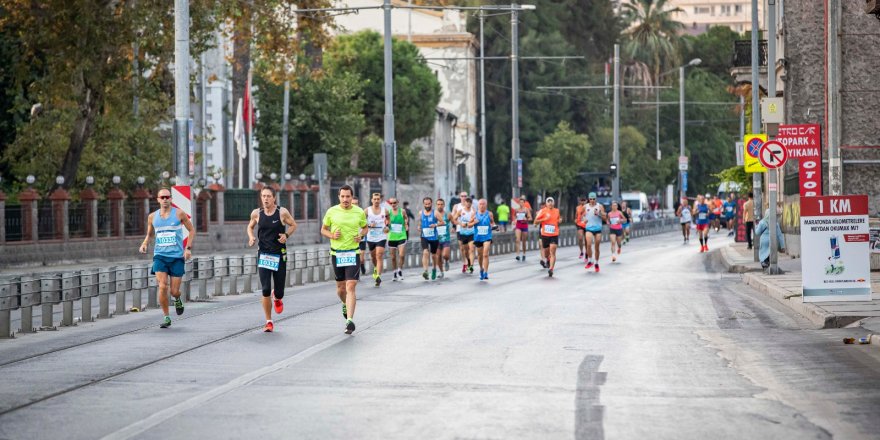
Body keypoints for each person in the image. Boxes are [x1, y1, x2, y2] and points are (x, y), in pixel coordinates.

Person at [139, 187, 196, 329]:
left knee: (174, 291)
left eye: (167, 197)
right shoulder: (152, 217)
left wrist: (188, 248)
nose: (165, 199)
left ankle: (177, 299)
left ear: (171, 199)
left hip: (176, 257)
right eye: (162, 197)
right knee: (163, 286)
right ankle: (166, 317)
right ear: (158, 200)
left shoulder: (179, 214)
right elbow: (150, 233)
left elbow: (192, 230)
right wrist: (145, 243)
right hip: (160, 256)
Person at [247, 187, 297, 332]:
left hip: (279, 254)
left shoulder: (282, 212)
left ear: (274, 198)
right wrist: (251, 237)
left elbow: (293, 225)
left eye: (268, 196)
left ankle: (278, 297)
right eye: (263, 196)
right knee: (266, 289)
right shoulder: (256, 213)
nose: (266, 199)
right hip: (263, 254)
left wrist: (286, 235)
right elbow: (250, 227)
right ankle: (269, 321)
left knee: (279, 290)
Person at [321, 185, 368, 334]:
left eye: (348, 196)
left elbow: (365, 228)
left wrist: (361, 235)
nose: (345, 199)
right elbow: (323, 229)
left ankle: (350, 320)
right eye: (343, 196)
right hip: (337, 254)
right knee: (341, 289)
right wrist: (332, 236)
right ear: (339, 197)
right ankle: (344, 303)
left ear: (352, 197)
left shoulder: (359, 212)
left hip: (353, 253)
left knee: (351, 286)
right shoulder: (331, 211)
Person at [365, 192, 389, 287]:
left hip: (381, 236)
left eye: (378, 199)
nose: (376, 201)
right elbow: (361, 222)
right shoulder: (367, 211)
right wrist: (369, 225)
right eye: (374, 199)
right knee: (373, 257)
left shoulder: (385, 210)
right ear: (371, 200)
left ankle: (378, 276)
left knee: (379, 255)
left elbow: (388, 219)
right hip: (371, 236)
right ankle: (376, 268)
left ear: (380, 200)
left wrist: (387, 226)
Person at [534, 197, 561, 277]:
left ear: (554, 203)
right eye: (548, 202)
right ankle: (548, 259)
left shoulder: (557, 211)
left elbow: (559, 218)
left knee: (552, 251)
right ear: (546, 204)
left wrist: (560, 220)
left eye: (551, 202)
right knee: (546, 253)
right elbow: (535, 221)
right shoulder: (542, 211)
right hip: (545, 235)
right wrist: (544, 219)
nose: (550, 203)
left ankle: (551, 269)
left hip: (554, 234)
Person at [419, 197, 443, 281]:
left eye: (429, 204)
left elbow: (442, 222)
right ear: (423, 204)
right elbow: (420, 223)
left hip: (434, 237)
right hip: (424, 236)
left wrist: (435, 225)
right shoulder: (421, 213)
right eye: (426, 204)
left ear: (431, 203)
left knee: (433, 255)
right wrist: (419, 227)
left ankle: (434, 269)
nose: (427, 205)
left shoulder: (435, 212)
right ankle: (425, 271)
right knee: (425, 252)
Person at [472, 199, 496, 280]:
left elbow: (492, 222)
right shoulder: (474, 214)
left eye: (483, 204)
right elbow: (468, 225)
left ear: (486, 205)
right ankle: (481, 269)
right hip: (478, 237)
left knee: (485, 254)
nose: (482, 205)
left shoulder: (489, 214)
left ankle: (486, 272)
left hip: (487, 237)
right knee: (479, 256)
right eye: (480, 204)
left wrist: (494, 226)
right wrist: (473, 223)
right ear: (478, 205)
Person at [582, 192, 606, 272]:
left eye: (594, 199)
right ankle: (590, 260)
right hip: (589, 228)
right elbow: (582, 216)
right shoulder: (585, 206)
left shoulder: (600, 206)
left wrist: (599, 213)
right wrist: (584, 219)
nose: (592, 200)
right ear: (589, 199)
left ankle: (596, 263)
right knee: (588, 244)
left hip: (598, 229)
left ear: (596, 199)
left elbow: (605, 218)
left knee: (597, 247)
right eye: (591, 199)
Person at [452, 197, 476, 273]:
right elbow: (454, 220)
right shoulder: (461, 211)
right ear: (464, 203)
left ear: (471, 203)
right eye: (467, 202)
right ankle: (468, 262)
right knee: (465, 250)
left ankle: (471, 266)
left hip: (471, 233)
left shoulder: (473, 211)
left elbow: (476, 220)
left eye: (470, 202)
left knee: (471, 249)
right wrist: (460, 224)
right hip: (463, 233)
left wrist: (472, 223)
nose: (468, 203)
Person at [386, 197, 408, 281]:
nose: (393, 205)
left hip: (401, 235)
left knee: (401, 255)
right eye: (391, 203)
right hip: (392, 236)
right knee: (393, 257)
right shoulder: (388, 212)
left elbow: (406, 218)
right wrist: (387, 225)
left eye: (394, 203)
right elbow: (386, 221)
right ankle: (395, 272)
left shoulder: (402, 211)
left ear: (397, 202)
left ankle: (400, 269)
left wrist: (406, 224)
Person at [513, 195, 532, 261]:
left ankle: (524, 253)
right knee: (517, 239)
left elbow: (530, 218)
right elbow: (514, 217)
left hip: (524, 226)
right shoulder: (516, 210)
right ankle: (517, 254)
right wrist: (514, 220)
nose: (521, 203)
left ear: (524, 203)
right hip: (518, 225)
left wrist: (526, 218)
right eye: (520, 202)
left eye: (522, 202)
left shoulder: (526, 209)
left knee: (523, 241)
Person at [435, 198, 452, 275]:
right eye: (438, 204)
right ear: (436, 205)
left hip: (446, 238)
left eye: (441, 204)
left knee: (445, 255)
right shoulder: (434, 215)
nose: (440, 206)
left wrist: (455, 227)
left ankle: (446, 261)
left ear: (444, 205)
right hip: (436, 238)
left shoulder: (448, 214)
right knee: (438, 257)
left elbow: (454, 221)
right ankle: (441, 272)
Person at [352, 196, 367, 276]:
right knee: (354, 257)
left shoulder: (361, 213)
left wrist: (361, 235)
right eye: (353, 204)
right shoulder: (347, 214)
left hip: (361, 239)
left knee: (361, 258)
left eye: (356, 203)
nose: (354, 205)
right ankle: (356, 273)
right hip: (352, 240)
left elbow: (365, 226)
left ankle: (362, 266)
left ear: (358, 204)